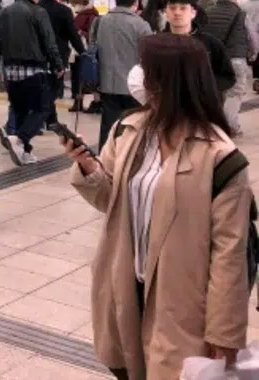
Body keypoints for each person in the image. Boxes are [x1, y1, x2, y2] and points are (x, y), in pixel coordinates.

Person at [65, 34, 251, 379]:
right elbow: (110, 201)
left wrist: (224, 333)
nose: (139, 79)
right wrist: (90, 169)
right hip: (125, 285)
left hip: (182, 301)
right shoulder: (128, 130)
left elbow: (230, 252)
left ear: (168, 82)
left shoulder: (221, 159)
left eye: (147, 71)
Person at [0, 0, 64, 166]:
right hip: (34, 70)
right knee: (43, 108)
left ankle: (24, 152)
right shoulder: (37, 12)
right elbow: (49, 42)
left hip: (10, 71)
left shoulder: (5, 12)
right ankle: (20, 139)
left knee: (21, 110)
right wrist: (57, 64)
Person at [88, 0, 152, 152]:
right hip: (134, 85)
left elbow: (93, 49)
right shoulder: (141, 25)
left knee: (108, 124)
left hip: (106, 82)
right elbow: (149, 56)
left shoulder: (100, 21)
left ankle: (104, 157)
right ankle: (127, 158)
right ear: (136, 1)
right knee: (134, 126)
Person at [164, 0, 233, 99]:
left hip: (204, 106)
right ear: (165, 13)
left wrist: (205, 87)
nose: (177, 13)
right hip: (167, 104)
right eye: (172, 8)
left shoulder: (210, 43)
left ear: (193, 13)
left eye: (183, 8)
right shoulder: (157, 43)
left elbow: (228, 77)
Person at [204, 0, 249, 135]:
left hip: (212, 59)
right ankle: (230, 126)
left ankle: (214, 124)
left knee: (216, 91)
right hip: (235, 57)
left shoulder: (208, 12)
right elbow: (251, 37)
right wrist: (253, 52)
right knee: (235, 92)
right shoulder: (241, 14)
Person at [39, 0, 84, 115]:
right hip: (58, 54)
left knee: (42, 86)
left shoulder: (37, 7)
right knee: (54, 88)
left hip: (38, 54)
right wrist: (82, 52)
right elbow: (72, 35)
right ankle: (45, 118)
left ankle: (48, 118)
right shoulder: (64, 10)